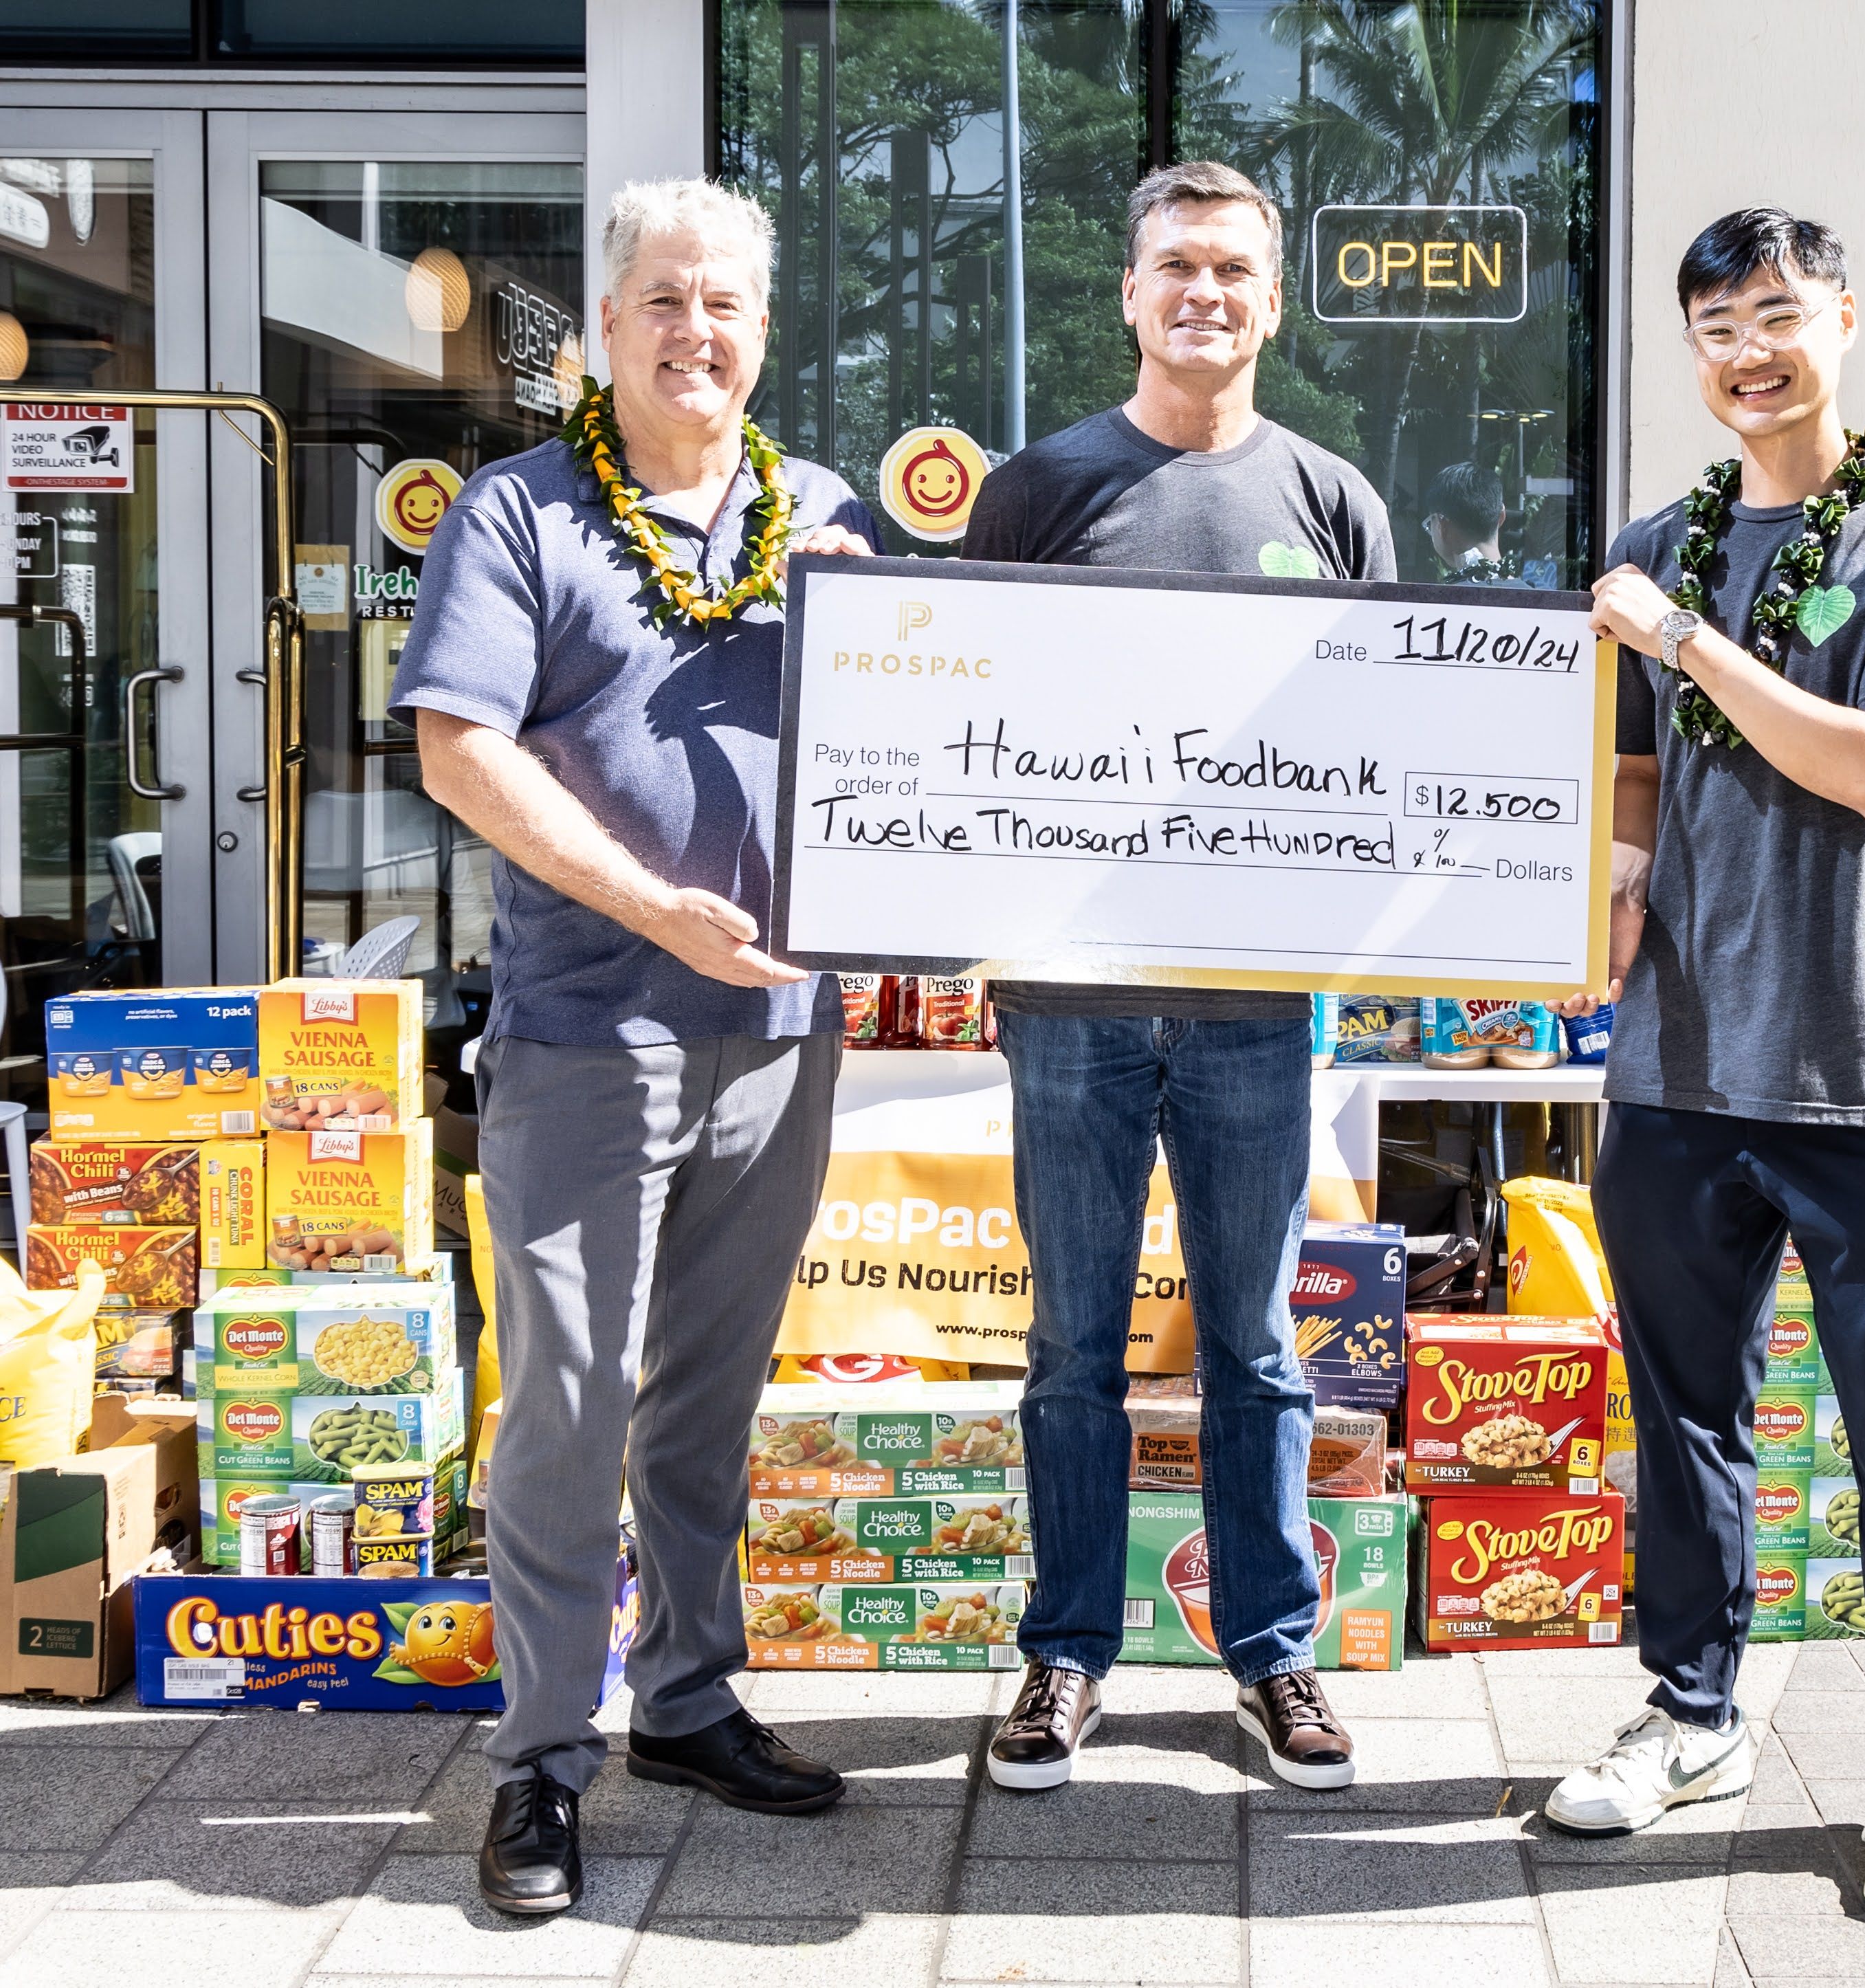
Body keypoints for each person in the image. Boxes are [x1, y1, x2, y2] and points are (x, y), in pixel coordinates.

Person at [393, 177, 881, 1919]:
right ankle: (538, 1762)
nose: (697, 332)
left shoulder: (819, 512)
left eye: (727, 304)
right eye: (663, 301)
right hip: (592, 1032)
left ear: (763, 331)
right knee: (568, 1406)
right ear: (606, 330)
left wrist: (872, 635)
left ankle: (684, 1700)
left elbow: (914, 758)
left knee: (708, 1400)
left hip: (777, 1036)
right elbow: (460, 751)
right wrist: (657, 906)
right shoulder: (524, 518)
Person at [1543, 207, 1865, 1921]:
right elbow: (1647, 783)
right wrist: (1612, 884)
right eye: (1716, 322)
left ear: (1842, 319)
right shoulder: (1653, 541)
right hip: (1673, 1068)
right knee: (1681, 1426)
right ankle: (1690, 1712)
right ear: (1690, 352)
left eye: (1776, 311)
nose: (1748, 347)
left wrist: (1677, 637)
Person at [960, 159, 1396, 1795]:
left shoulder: (1331, 501)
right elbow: (957, 727)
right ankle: (1064, 1650)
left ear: (1270, 300)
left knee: (1256, 1344)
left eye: (1231, 268)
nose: (1202, 293)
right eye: (1174, 268)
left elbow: (1376, 747)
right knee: (1070, 1347)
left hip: (1250, 1007)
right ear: (1129, 297)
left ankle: (1270, 1649)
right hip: (1066, 999)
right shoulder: (1036, 489)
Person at [1423, 461, 1518, 582]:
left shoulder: (1441, 599)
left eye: (1430, 524)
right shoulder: (1537, 598)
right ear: (1502, 517)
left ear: (1442, 526)